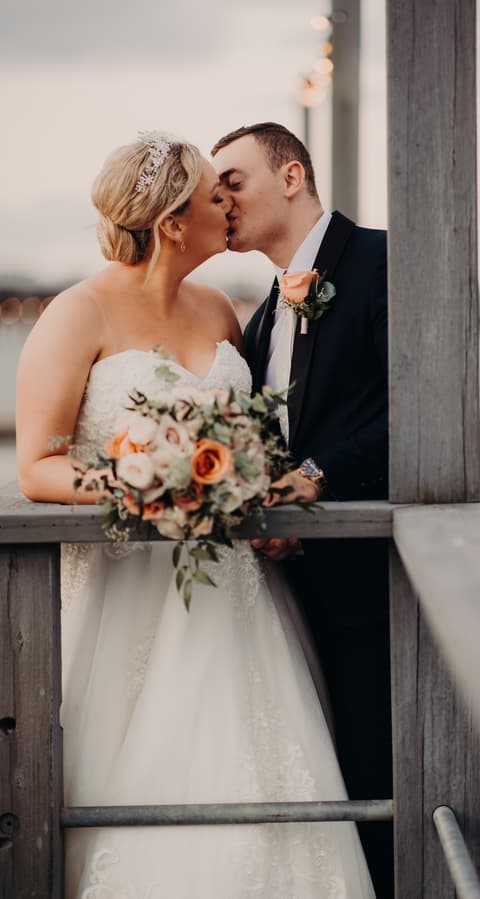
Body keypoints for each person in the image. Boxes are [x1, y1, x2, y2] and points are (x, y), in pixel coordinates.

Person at [16, 132, 376, 897]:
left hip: (238, 594)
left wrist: (252, 480)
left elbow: (258, 436)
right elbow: (39, 466)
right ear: (176, 222)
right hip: (129, 592)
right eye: (218, 194)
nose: (230, 206)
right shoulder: (75, 314)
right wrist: (156, 486)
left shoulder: (220, 310)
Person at [212, 123, 392, 898]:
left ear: (291, 177)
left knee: (379, 795)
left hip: (373, 594)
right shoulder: (256, 321)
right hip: (293, 600)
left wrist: (319, 475)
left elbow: (421, 407)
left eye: (234, 180)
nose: (220, 199)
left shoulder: (384, 259)